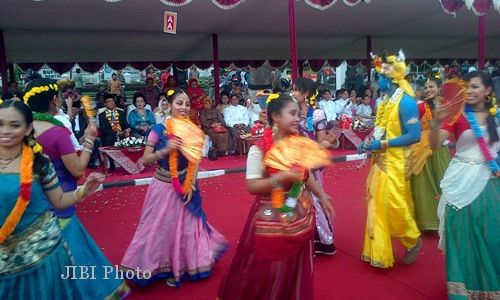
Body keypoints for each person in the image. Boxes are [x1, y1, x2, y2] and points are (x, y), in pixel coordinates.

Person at [217, 93, 334, 300]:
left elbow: (305, 175)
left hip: (299, 215)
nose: (298, 118)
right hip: (268, 216)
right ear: (276, 117)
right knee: (262, 271)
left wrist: (322, 196)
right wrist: (279, 178)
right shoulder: (259, 147)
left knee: (295, 269)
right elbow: (253, 186)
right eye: (292, 113)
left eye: (299, 113)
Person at [23, 79, 130, 299]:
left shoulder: (22, 130)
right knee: (75, 260)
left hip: (31, 205)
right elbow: (78, 170)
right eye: (60, 96)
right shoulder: (57, 132)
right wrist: (90, 140)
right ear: (54, 100)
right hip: (61, 202)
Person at [0, 99, 108, 299]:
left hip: (43, 257)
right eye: (0, 124)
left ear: (27, 129)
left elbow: (58, 200)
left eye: (14, 125)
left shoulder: (39, 162)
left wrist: (83, 191)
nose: (5, 130)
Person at [120, 88, 227, 287]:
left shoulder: (195, 131)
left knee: (187, 229)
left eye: (187, 104)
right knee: (159, 229)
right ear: (169, 105)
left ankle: (185, 266)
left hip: (187, 187)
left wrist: (191, 185)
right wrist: (166, 150)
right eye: (179, 103)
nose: (184, 107)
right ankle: (156, 266)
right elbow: (144, 160)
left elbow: (195, 161)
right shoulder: (158, 130)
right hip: (162, 186)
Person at [430, 71, 499, 298]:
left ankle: (490, 287)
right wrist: (436, 122)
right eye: (467, 87)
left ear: (488, 91)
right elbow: (435, 144)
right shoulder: (456, 116)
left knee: (490, 235)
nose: (469, 91)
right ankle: (462, 290)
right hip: (461, 182)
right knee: (461, 235)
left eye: (475, 86)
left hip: (490, 184)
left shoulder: (496, 117)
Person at [357, 51, 422, 268]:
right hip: (380, 160)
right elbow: (379, 131)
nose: (376, 82)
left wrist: (382, 145)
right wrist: (367, 143)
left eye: (379, 77)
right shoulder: (383, 102)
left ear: (390, 79)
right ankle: (379, 253)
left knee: (395, 206)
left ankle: (412, 240)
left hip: (396, 162)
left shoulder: (406, 102)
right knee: (376, 204)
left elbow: (415, 136)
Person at [293, 77, 339, 255]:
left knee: (314, 200)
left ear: (305, 94)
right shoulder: (291, 111)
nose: (294, 93)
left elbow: (321, 142)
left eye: (297, 90)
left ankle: (322, 240)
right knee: (295, 200)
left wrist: (329, 143)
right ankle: (299, 239)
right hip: (293, 163)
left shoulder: (317, 114)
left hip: (311, 163)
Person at [410, 76, 451, 231]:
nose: (428, 90)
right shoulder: (420, 107)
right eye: (426, 88)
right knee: (424, 184)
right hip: (423, 149)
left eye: (431, 87)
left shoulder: (447, 106)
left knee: (443, 181)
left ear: (439, 88)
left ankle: (445, 220)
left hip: (440, 148)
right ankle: (427, 221)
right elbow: (410, 124)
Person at [98, 93, 131, 169]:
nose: (111, 103)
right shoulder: (102, 115)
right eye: (108, 101)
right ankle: (112, 163)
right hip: (110, 136)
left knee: (130, 139)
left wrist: (128, 129)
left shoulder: (121, 113)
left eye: (112, 101)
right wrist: (117, 133)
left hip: (122, 134)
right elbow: (104, 129)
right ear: (105, 104)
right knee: (108, 139)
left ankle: (128, 164)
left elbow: (126, 124)